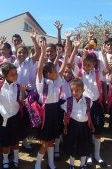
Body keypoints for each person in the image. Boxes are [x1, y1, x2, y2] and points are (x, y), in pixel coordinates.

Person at [35, 40, 68, 169]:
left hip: (55, 111)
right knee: (45, 141)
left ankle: (51, 162)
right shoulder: (41, 83)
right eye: (55, 71)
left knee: (52, 140)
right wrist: (42, 53)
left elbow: (61, 69)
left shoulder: (55, 82)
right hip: (46, 112)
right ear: (49, 74)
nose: (58, 73)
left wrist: (60, 56)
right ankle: (38, 163)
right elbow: (40, 69)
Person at [71, 53, 107, 168]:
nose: (86, 66)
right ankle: (88, 155)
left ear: (94, 64)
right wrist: (75, 48)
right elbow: (71, 63)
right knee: (87, 132)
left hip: (96, 106)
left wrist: (105, 56)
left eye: (89, 65)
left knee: (97, 131)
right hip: (84, 106)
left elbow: (107, 70)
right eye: (84, 64)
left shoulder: (97, 74)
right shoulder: (79, 73)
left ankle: (97, 155)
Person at [0, 62, 27, 169]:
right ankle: (5, 159)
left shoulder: (18, 87)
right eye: (12, 74)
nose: (15, 76)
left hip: (15, 118)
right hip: (4, 118)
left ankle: (15, 159)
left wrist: (23, 92)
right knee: (5, 142)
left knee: (15, 141)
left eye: (16, 74)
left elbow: (22, 102)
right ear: (5, 75)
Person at [61, 78, 93, 169]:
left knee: (84, 146)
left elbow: (89, 113)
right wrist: (65, 126)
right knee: (72, 145)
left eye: (77, 90)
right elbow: (65, 114)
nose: (74, 92)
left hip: (84, 127)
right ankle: (72, 164)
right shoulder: (69, 101)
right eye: (72, 90)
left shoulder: (88, 101)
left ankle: (83, 164)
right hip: (73, 126)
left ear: (83, 90)